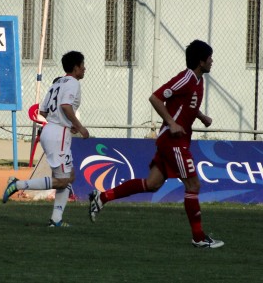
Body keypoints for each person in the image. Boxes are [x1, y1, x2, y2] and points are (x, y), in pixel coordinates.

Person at [88, 39, 223, 248]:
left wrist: (201, 117)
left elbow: (187, 104)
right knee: (193, 185)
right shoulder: (185, 78)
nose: (212, 61)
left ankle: (103, 197)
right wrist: (171, 123)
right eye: (209, 58)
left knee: (152, 184)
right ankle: (198, 238)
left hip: (175, 140)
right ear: (201, 61)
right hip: (173, 141)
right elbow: (156, 97)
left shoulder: (198, 80)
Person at [2, 51, 89, 227]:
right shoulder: (72, 83)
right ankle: (18, 185)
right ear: (75, 67)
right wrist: (79, 127)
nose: (84, 68)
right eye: (82, 65)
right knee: (64, 180)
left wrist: (64, 121)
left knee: (68, 177)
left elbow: (42, 111)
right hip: (58, 134)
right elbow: (65, 105)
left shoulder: (56, 83)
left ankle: (56, 220)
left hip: (50, 129)